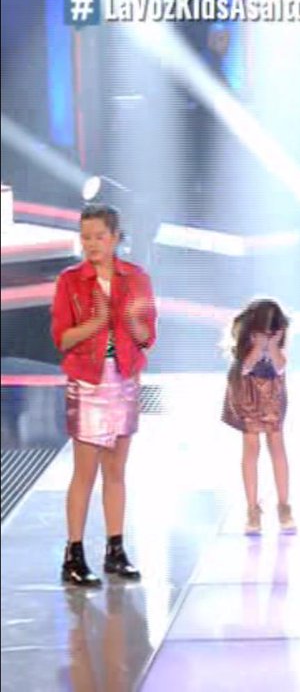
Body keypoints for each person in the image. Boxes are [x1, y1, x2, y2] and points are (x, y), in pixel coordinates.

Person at [51, 203, 156, 587]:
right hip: (87, 381)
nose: (92, 244)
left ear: (114, 238)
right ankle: (74, 554)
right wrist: (96, 323)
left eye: (99, 237)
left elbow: (147, 337)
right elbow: (62, 339)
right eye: (86, 237)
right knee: (85, 472)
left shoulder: (136, 279)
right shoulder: (70, 281)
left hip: (124, 380)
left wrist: (128, 320)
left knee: (116, 470)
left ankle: (116, 550)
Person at [222, 298, 295, 536]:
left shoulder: (277, 346)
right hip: (249, 398)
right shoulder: (245, 345)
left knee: (277, 446)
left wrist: (272, 346)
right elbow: (244, 367)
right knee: (251, 448)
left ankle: (284, 506)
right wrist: (257, 346)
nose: (269, 334)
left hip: (273, 398)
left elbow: (281, 366)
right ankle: (252, 509)